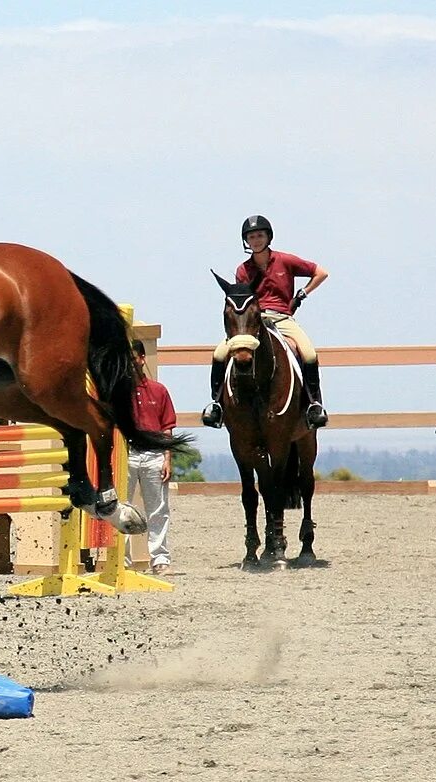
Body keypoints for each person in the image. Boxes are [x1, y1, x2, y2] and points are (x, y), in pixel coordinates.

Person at [202, 215, 330, 429]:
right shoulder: (243, 269)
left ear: (268, 237)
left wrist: (301, 294)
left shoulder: (285, 261)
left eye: (260, 235)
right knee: (219, 354)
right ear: (246, 241)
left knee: (309, 353)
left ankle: (314, 405)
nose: (256, 240)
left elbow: (321, 273)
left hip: (282, 318)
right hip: (254, 320)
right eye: (251, 237)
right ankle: (217, 405)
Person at [127, 340, 178, 576]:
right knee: (122, 508)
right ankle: (123, 560)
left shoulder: (159, 390)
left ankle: (159, 558)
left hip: (154, 454)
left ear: (142, 358)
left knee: (158, 508)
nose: (130, 362)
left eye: (133, 357)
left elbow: (167, 427)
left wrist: (168, 458)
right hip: (127, 454)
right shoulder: (117, 393)